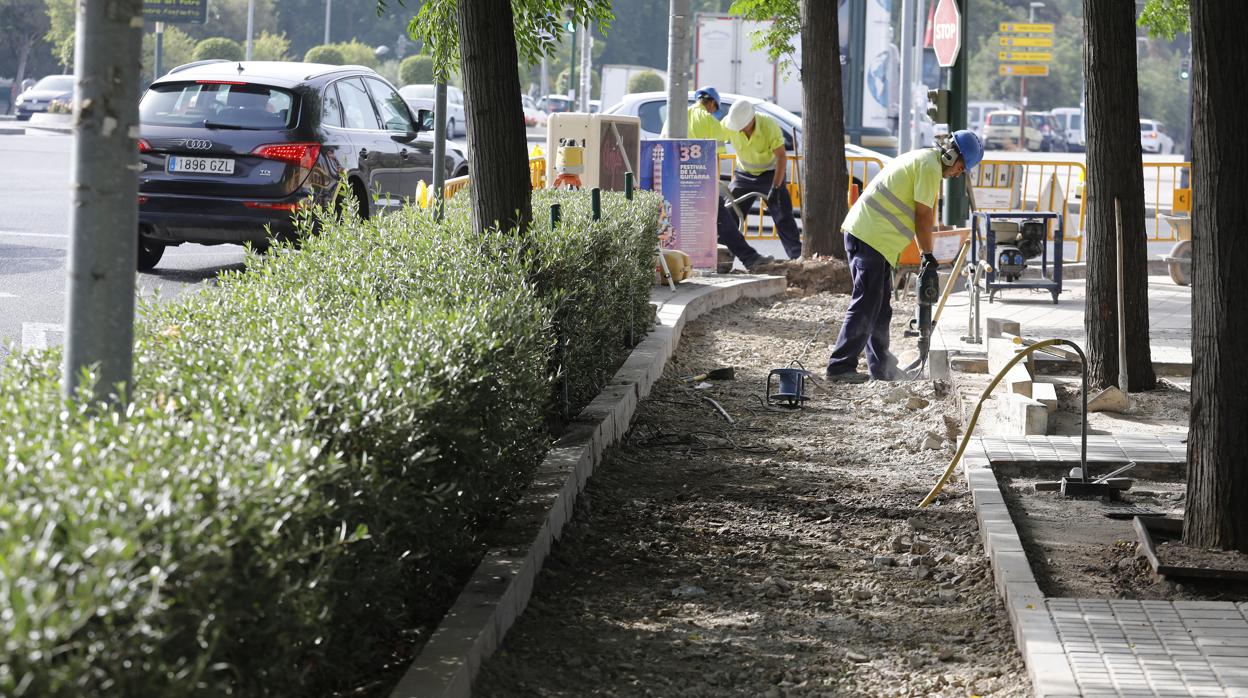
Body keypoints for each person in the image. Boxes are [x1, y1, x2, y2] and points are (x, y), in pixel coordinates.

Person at [824, 129, 984, 383]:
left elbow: (922, 215)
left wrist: (926, 252)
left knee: (880, 307)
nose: (958, 174)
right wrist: (928, 254)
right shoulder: (929, 167)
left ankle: (882, 367)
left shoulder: (926, 161)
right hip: (870, 237)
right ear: (953, 156)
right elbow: (923, 216)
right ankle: (840, 366)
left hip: (875, 239)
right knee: (866, 302)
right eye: (961, 168)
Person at [666, 86, 773, 271]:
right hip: (698, 182)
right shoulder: (709, 121)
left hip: (672, 181)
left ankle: (711, 262)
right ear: (712, 103)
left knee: (680, 226)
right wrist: (713, 187)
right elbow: (715, 158)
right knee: (723, 220)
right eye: (716, 108)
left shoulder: (674, 117)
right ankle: (749, 259)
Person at [721, 99, 802, 260]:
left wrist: (776, 188)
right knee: (729, 214)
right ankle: (723, 257)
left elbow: (781, 157)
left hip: (770, 174)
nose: (741, 130)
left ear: (752, 119)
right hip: (743, 174)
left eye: (744, 126)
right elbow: (711, 135)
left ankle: (796, 257)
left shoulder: (768, 126)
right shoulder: (728, 124)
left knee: (782, 214)